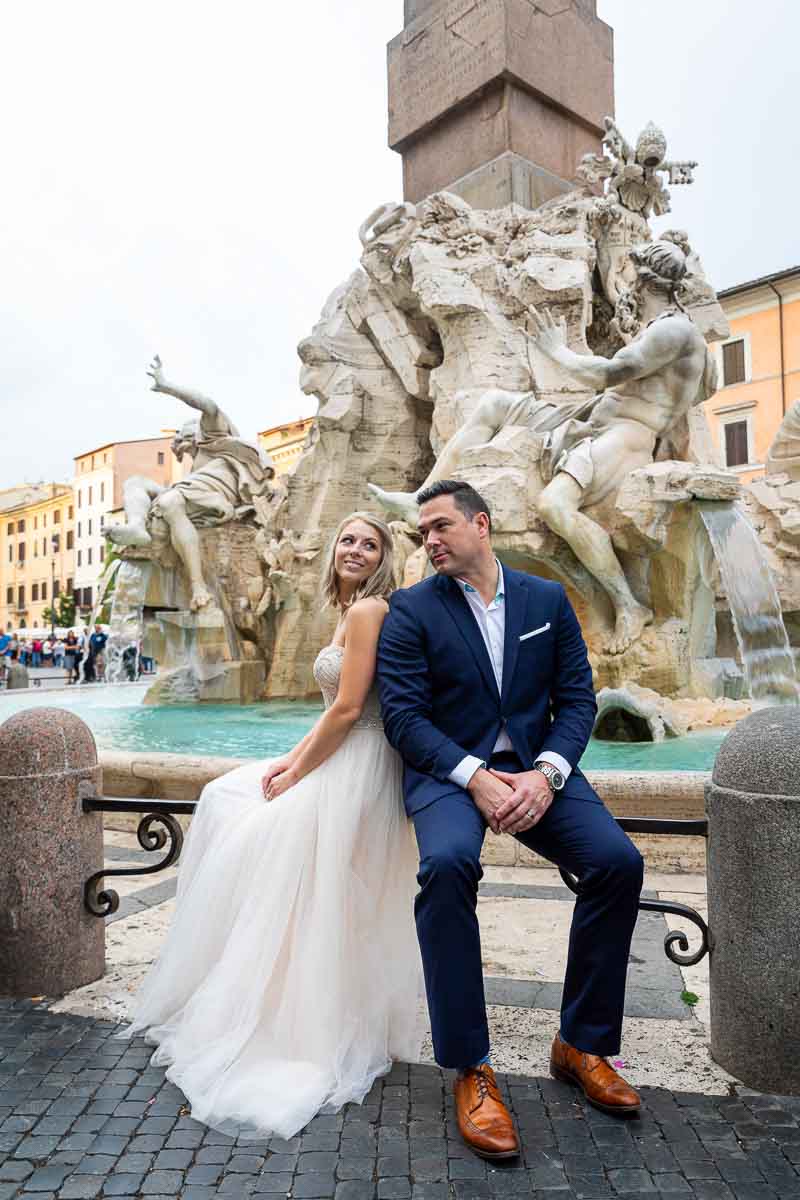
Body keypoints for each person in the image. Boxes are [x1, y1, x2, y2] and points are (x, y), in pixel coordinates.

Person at [126, 512, 423, 1139]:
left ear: (383, 559)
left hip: (361, 765)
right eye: (347, 538)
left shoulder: (370, 612)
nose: (356, 550)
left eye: (369, 545)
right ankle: (290, 997)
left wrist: (295, 774)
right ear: (333, 548)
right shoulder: (345, 609)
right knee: (228, 800)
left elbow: (347, 709)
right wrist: (291, 758)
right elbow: (332, 712)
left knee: (254, 830)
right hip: (342, 755)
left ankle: (297, 1016)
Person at [377, 480, 644, 1162]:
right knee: (445, 867)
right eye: (422, 533)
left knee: (618, 863)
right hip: (450, 775)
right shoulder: (409, 609)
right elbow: (405, 719)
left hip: (535, 770)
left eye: (439, 526)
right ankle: (472, 1068)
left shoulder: (545, 600)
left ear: (482, 525)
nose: (429, 540)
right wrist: (476, 779)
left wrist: (546, 773)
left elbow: (578, 701)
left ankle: (581, 1043)